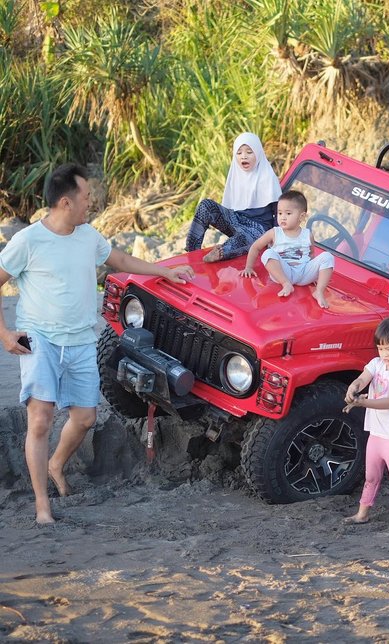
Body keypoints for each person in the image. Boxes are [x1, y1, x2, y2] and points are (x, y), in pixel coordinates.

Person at [0, 163, 195, 525]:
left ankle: (57, 464)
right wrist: (5, 334)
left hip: (79, 340)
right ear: (64, 202)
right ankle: (43, 505)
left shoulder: (88, 235)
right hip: (39, 338)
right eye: (86, 196)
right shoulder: (28, 240)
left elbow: (118, 259)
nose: (91, 201)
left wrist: (165, 271)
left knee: (85, 417)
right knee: (40, 419)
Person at [342, 316, 389, 540]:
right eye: (380, 348)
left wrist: (362, 402)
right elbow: (362, 379)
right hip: (376, 434)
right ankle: (362, 513)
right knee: (371, 477)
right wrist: (354, 388)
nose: (384, 354)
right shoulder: (377, 364)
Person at [185, 132, 282, 262]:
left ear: (258, 153)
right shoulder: (235, 174)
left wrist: (276, 239)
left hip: (258, 228)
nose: (244, 156)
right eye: (239, 153)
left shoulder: (267, 176)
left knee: (244, 238)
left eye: (249, 152)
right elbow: (229, 206)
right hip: (236, 220)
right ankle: (192, 251)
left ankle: (221, 252)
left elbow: (278, 211)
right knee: (206, 205)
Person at [241, 190, 335, 308]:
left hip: (303, 274)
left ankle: (319, 291)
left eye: (288, 213)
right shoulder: (274, 233)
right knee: (268, 253)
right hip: (282, 273)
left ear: (302, 216)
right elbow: (255, 247)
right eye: (280, 213)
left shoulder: (307, 235)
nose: (283, 217)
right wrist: (248, 267)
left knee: (328, 256)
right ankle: (286, 284)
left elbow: (311, 254)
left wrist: (314, 273)